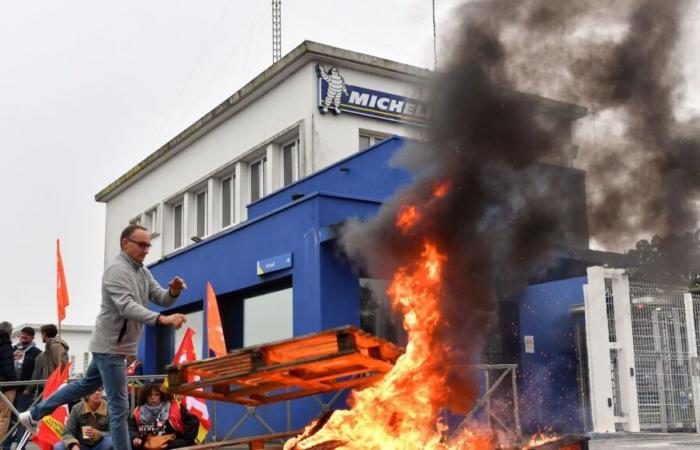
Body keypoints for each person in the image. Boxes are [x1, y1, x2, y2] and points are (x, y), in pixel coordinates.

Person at [20, 225, 188, 450]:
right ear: (125, 243)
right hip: (110, 347)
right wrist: (161, 319)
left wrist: (173, 292)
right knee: (119, 407)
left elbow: (161, 297)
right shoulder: (116, 271)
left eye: (148, 245)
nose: (146, 249)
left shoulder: (142, 271)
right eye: (141, 244)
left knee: (83, 386)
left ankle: (33, 414)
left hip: (113, 347)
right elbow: (126, 306)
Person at [3, 327, 42, 449]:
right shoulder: (12, 349)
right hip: (10, 390)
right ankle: (6, 445)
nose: (24, 336)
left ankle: (21, 445)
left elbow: (36, 372)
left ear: (32, 337)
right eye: (23, 334)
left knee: (23, 420)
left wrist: (29, 389)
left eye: (28, 334)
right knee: (8, 419)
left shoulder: (37, 352)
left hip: (25, 393)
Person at [128, 384, 197, 450]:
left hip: (172, 445)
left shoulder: (174, 407)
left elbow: (193, 421)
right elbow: (130, 428)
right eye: (149, 395)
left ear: (161, 395)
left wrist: (185, 441)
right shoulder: (138, 411)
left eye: (156, 394)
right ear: (145, 397)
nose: (153, 397)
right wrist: (135, 438)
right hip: (148, 446)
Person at [0, 328, 18, 440]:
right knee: (4, 417)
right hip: (6, 386)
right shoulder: (6, 347)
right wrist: (14, 383)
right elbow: (8, 368)